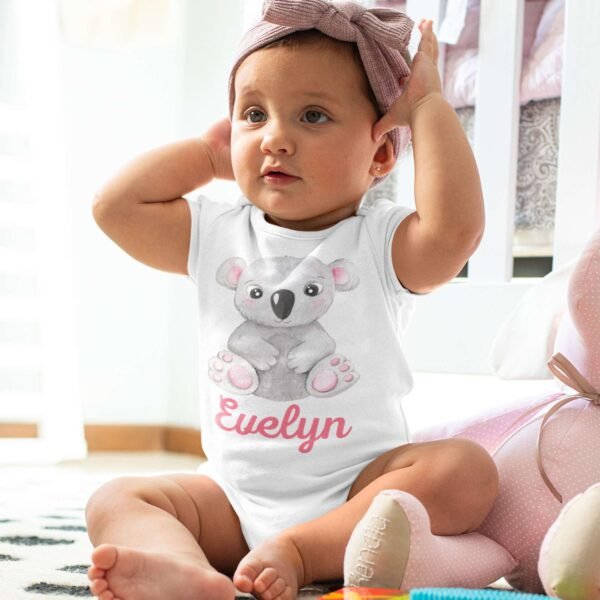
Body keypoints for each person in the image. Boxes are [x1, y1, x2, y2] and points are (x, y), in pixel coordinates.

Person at [85, 2, 496, 599]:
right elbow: (114, 208)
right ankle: (184, 572)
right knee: (117, 497)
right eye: (254, 114)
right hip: (231, 499)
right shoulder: (216, 232)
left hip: (359, 497)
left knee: (466, 472)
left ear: (380, 155)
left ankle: (304, 551)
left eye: (313, 115)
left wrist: (428, 104)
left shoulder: (381, 242)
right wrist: (208, 156)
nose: (275, 138)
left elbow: (456, 230)